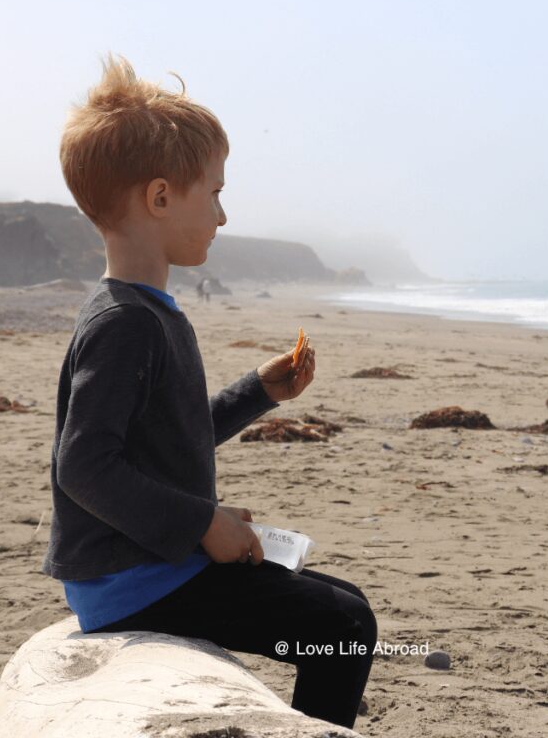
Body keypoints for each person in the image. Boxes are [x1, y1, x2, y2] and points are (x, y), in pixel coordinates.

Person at [44, 55, 375, 729]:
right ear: (161, 198)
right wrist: (204, 524)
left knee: (340, 600)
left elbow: (168, 434)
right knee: (343, 622)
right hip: (130, 581)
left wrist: (259, 392)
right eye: (215, 193)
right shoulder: (126, 323)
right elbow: (84, 465)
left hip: (146, 564)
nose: (223, 215)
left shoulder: (144, 308)